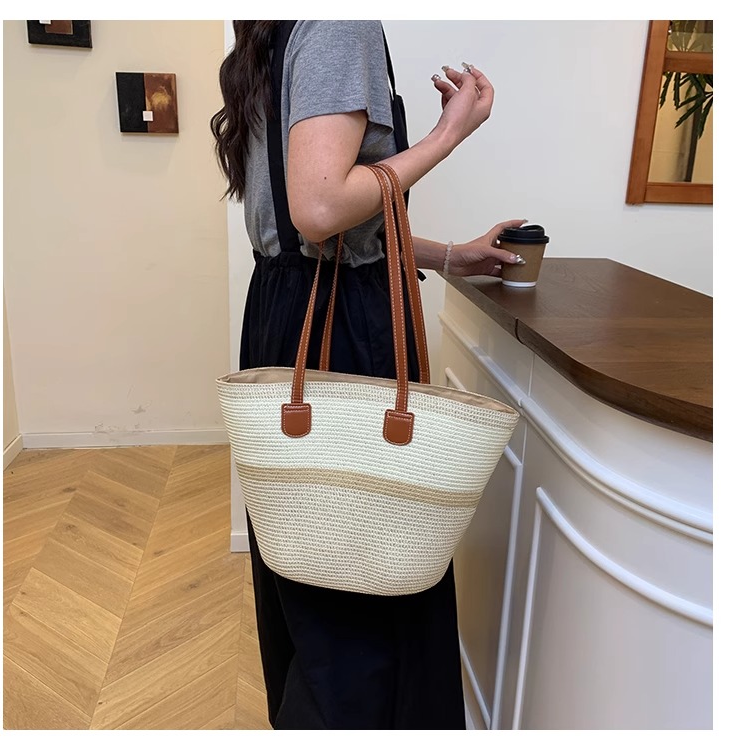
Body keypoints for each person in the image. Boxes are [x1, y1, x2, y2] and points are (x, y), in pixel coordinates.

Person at [210, 20, 525, 730]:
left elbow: (312, 224)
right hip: (340, 325)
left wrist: (447, 256)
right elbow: (321, 209)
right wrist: (447, 134)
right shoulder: (338, 21)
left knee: (314, 581)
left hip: (286, 311)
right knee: (366, 605)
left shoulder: (279, 29)